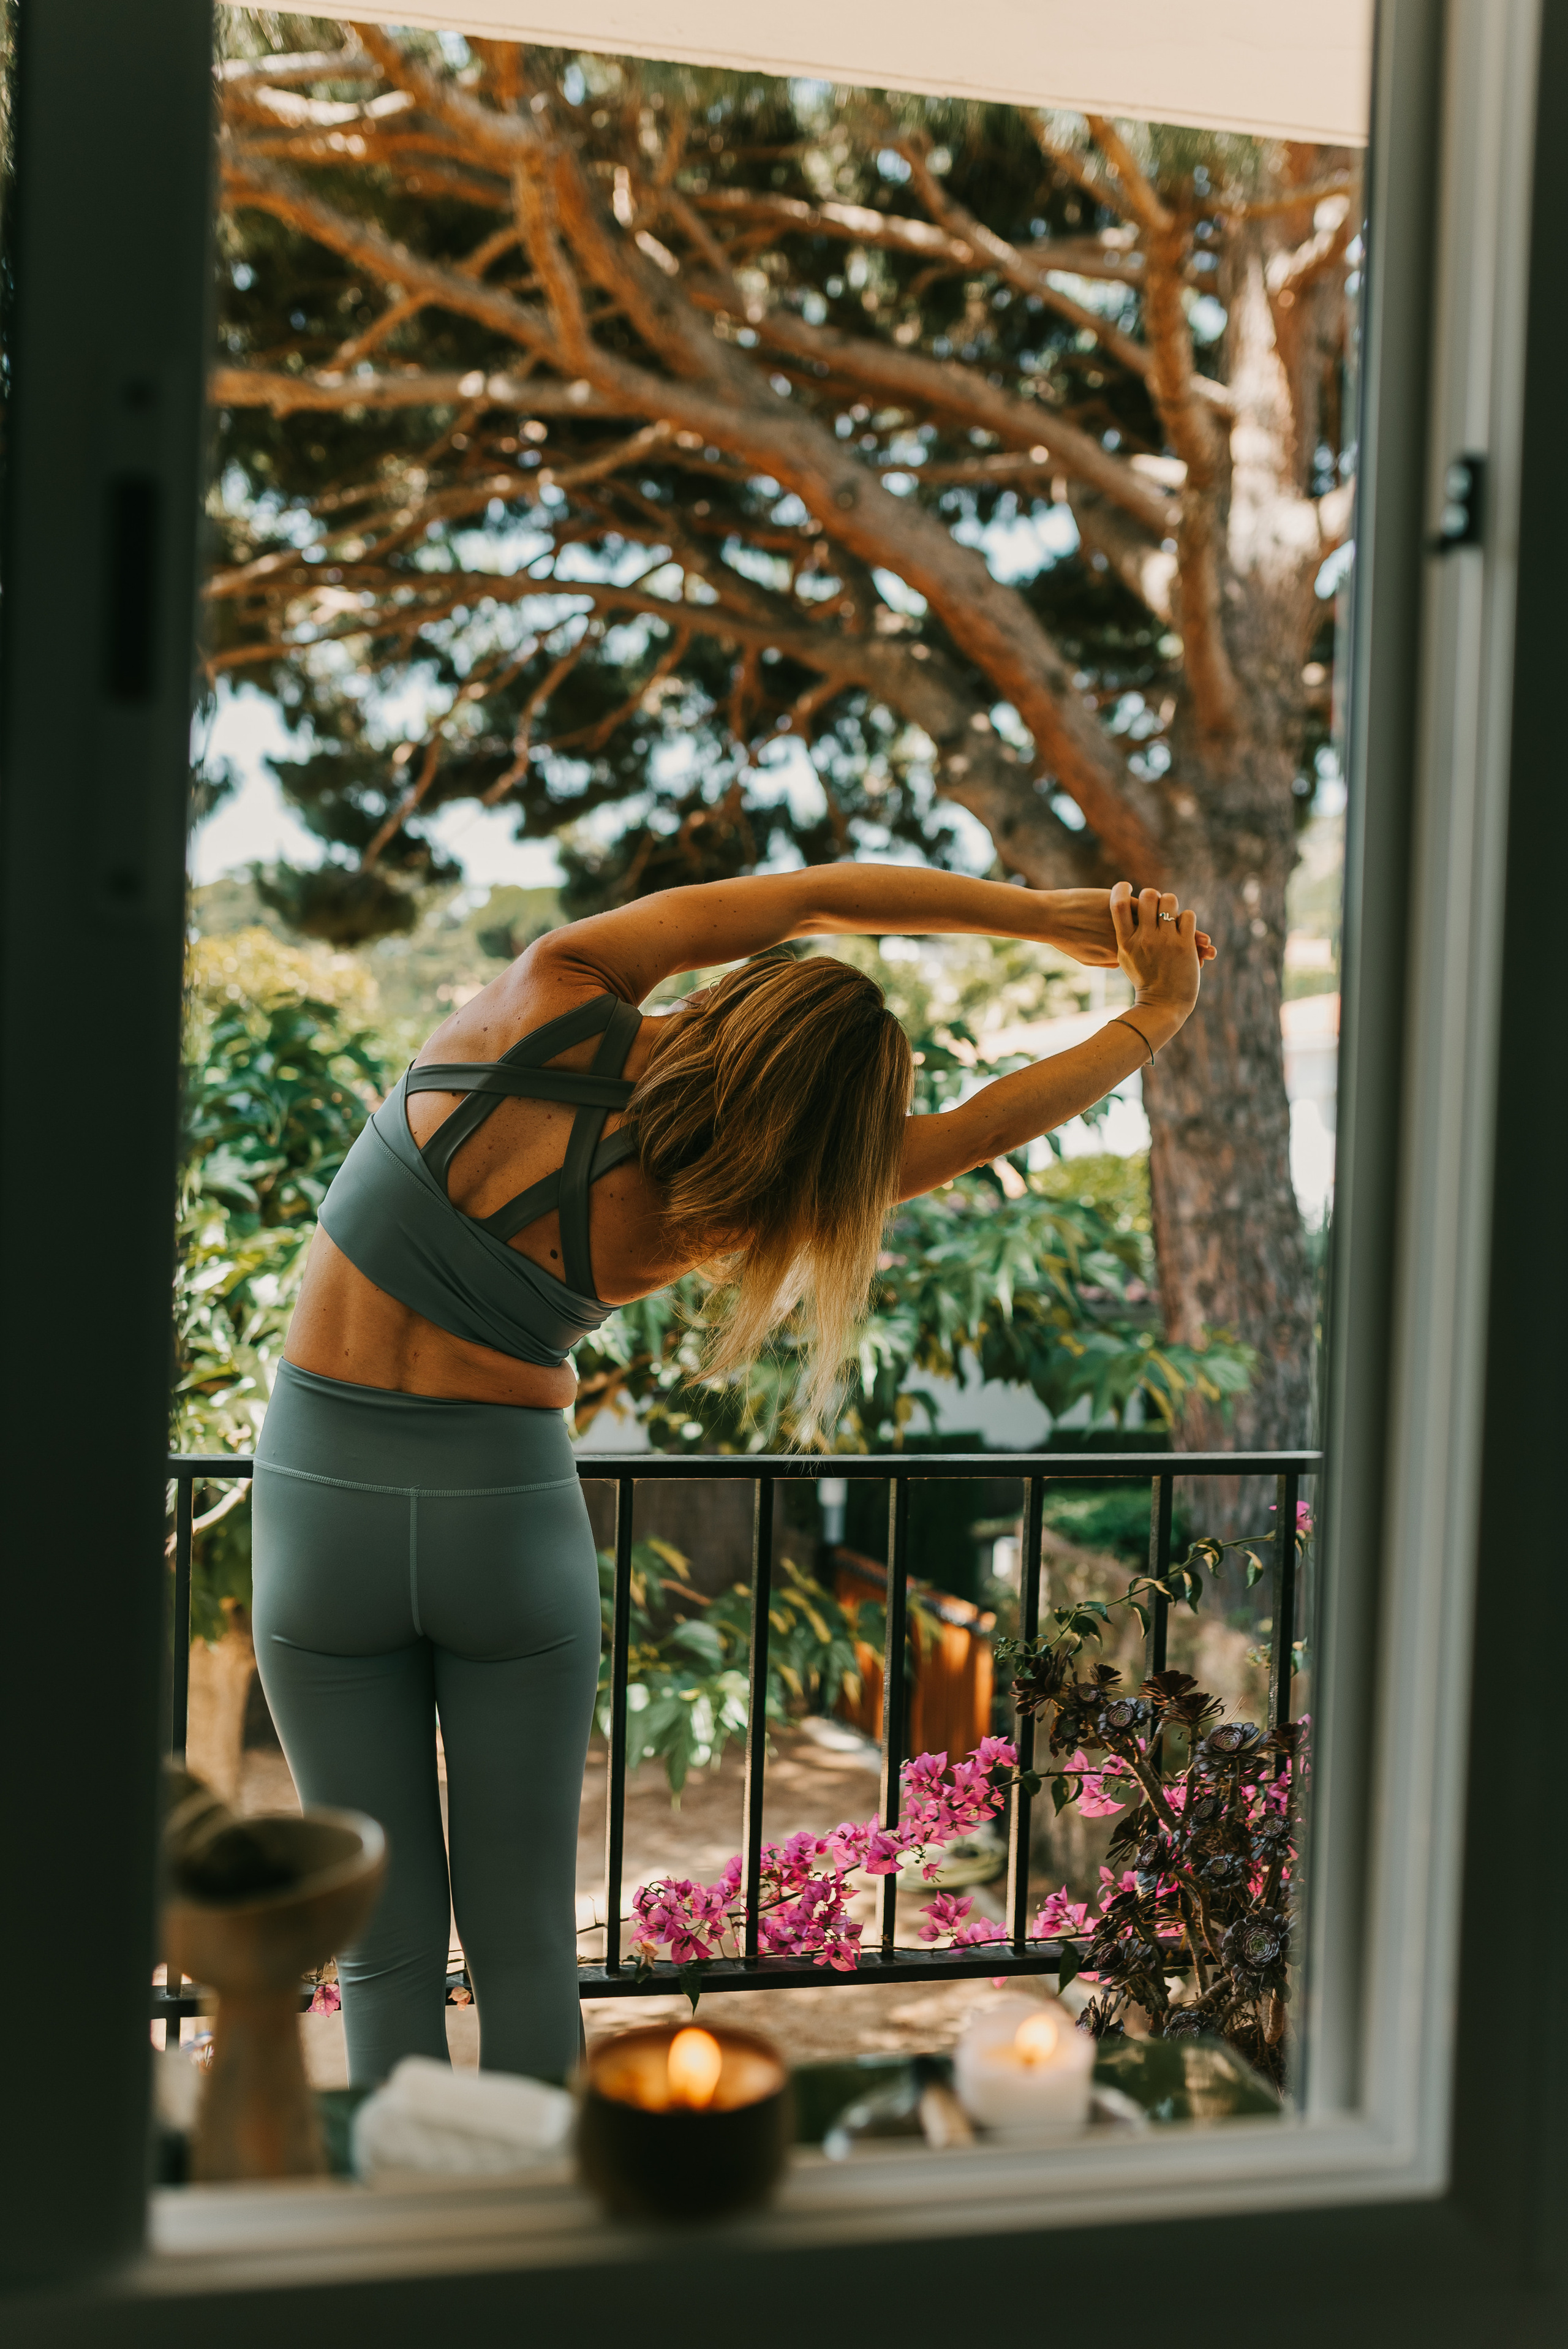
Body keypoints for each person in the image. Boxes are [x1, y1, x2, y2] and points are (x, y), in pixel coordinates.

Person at [251, 868, 1210, 2084]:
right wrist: (1150, 1017)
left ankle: (400, 2236)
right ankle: (534, 2239)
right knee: (524, 1941)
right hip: (506, 1531)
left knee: (383, 1946)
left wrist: (1046, 915)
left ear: (737, 1002)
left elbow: (817, 895)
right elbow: (980, 1128)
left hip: (316, 1515)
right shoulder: (735, 1204)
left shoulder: (549, 992)